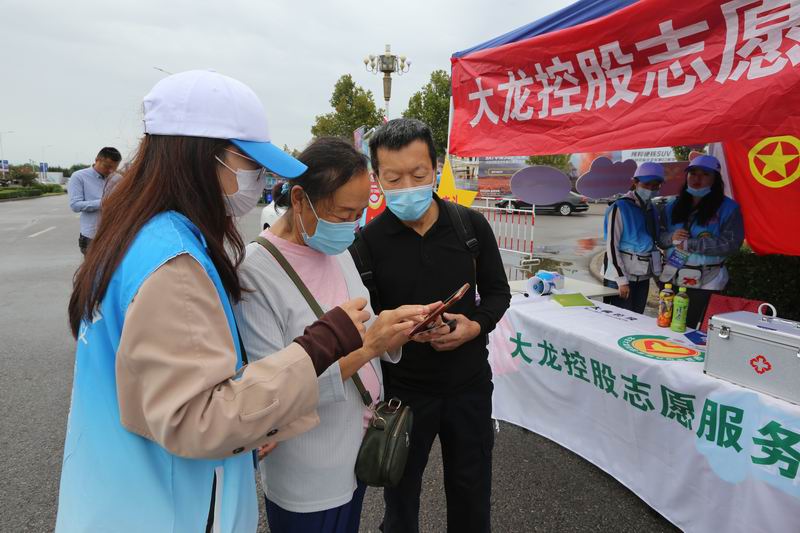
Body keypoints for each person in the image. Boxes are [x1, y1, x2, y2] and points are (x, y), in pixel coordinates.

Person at [56, 70, 371, 533]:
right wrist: (321, 344)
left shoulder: (137, 236)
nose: (258, 180)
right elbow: (199, 418)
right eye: (250, 163)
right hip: (170, 508)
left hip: (115, 494)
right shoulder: (175, 265)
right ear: (203, 157)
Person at [235, 137, 430, 533]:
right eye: (343, 214)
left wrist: (394, 330)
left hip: (359, 447)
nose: (351, 227)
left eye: (358, 214)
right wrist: (369, 348)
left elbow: (365, 325)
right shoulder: (255, 272)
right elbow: (274, 389)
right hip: (310, 467)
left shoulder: (338, 250)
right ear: (300, 199)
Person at [350, 118, 511, 533]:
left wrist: (474, 326)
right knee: (400, 498)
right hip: (403, 394)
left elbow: (498, 293)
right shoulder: (366, 244)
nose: (407, 187)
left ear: (436, 167)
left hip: (469, 386)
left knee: (471, 491)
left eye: (418, 174)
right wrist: (395, 332)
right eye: (393, 179)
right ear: (377, 178)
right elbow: (366, 322)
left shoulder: (470, 227)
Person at [658, 154, 744, 329]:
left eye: (705, 174)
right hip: (671, 276)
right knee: (665, 324)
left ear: (715, 179)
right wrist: (671, 238)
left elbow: (731, 243)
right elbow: (659, 237)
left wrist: (692, 244)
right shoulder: (672, 205)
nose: (697, 179)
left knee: (692, 330)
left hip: (707, 279)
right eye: (693, 173)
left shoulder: (728, 208)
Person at [602, 161, 665, 314]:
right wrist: (621, 280)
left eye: (655, 185)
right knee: (618, 319)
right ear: (635, 182)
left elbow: (653, 244)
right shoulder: (620, 207)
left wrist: (658, 277)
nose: (651, 189)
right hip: (620, 278)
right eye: (647, 184)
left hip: (642, 277)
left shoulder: (652, 209)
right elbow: (612, 246)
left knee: (637, 318)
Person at [67, 147, 122, 254]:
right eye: (107, 166)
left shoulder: (118, 178)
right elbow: (75, 205)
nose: (111, 171)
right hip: (91, 237)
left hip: (114, 235)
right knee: (93, 265)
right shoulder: (79, 176)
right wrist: (102, 203)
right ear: (97, 160)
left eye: (114, 168)